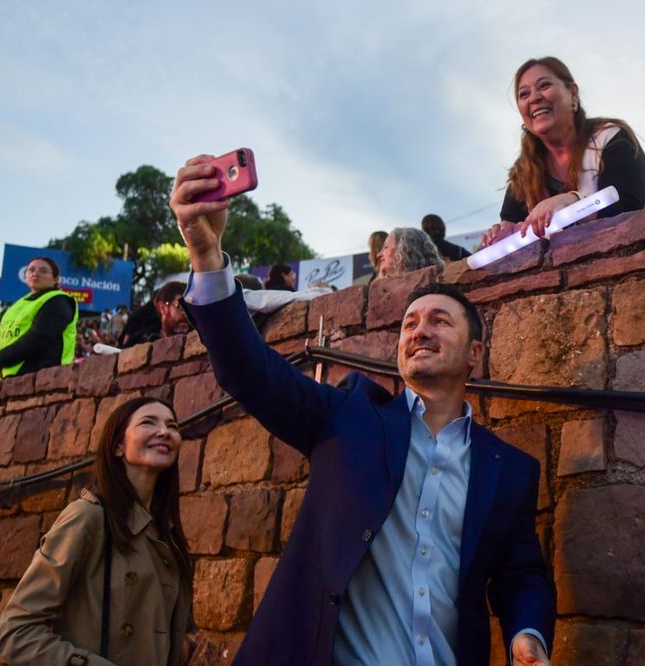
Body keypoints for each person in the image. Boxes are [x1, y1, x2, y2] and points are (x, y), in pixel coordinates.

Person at [170, 155, 555, 665]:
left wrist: (527, 634)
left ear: (475, 355)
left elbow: (520, 574)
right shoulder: (349, 417)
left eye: (440, 321)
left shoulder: (510, 471)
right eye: (410, 323)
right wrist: (205, 253)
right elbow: (248, 371)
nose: (420, 330)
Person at [0, 396, 192, 666]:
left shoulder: (168, 538)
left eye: (172, 426)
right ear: (118, 447)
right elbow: (17, 631)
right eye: (149, 422)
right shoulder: (89, 517)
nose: (164, 431)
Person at [483, 56, 645, 247]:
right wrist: (498, 236)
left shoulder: (612, 138)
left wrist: (570, 201)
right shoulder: (523, 174)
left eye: (544, 85)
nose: (534, 98)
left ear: (573, 93)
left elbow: (626, 207)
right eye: (524, 94)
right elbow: (510, 237)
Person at [0, 256, 78, 380]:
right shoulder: (19, 304)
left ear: (55, 279)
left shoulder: (59, 300)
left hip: (41, 378)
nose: (35, 273)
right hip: (2, 379)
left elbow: (39, 337)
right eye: (31, 270)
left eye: (43, 271)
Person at [118, 281, 189, 348]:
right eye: (181, 307)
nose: (187, 314)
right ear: (163, 308)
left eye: (193, 309)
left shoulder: (198, 340)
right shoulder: (140, 341)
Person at [377, 227, 445, 279]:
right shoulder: (380, 291)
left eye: (385, 247)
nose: (378, 255)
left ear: (404, 252)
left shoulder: (432, 293)